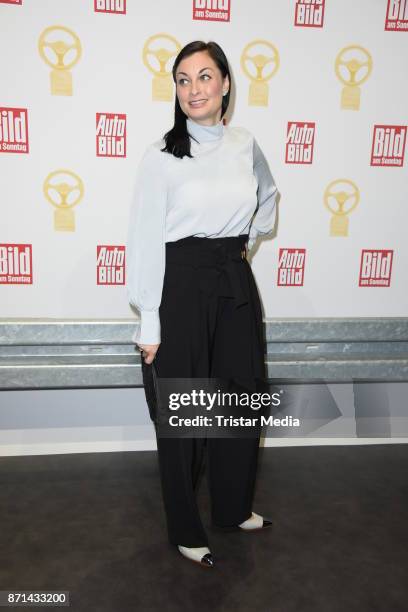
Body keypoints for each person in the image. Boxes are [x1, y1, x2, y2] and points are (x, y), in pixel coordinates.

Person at [126, 40, 278, 568]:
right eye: (184, 79)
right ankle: (186, 528)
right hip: (181, 285)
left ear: (226, 83)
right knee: (184, 411)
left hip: (233, 279)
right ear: (176, 89)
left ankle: (233, 509)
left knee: (238, 401)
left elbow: (268, 196)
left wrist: (244, 243)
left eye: (205, 76)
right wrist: (149, 318)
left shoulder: (244, 142)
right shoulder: (162, 154)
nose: (194, 89)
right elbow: (145, 238)